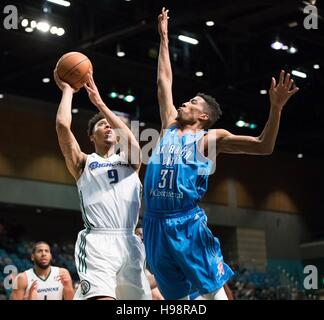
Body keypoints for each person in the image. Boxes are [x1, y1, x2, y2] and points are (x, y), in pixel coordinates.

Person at [142, 7, 299, 300]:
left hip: (185, 223)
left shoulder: (210, 138)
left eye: (192, 102)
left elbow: (264, 146)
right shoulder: (167, 126)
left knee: (213, 290)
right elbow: (164, 81)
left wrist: (275, 109)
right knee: (175, 298)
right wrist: (163, 38)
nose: (184, 103)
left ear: (203, 116)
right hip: (153, 223)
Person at [54, 70, 151, 300]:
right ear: (91, 136)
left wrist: (100, 104)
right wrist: (68, 90)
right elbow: (61, 126)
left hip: (130, 242)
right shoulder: (83, 162)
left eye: (111, 126)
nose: (108, 127)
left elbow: (131, 139)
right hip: (98, 242)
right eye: (101, 125)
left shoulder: (130, 161)